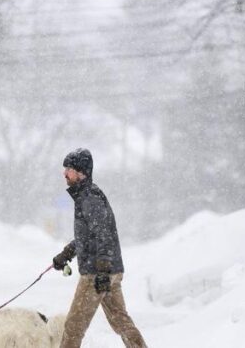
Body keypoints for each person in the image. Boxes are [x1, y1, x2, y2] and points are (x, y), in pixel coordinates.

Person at [51, 148, 147, 348]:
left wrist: (102, 270)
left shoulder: (89, 198)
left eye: (68, 169)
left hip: (96, 272)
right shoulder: (87, 196)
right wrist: (67, 253)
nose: (64, 173)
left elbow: (103, 234)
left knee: (73, 327)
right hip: (109, 270)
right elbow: (89, 236)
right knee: (121, 322)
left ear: (81, 172)